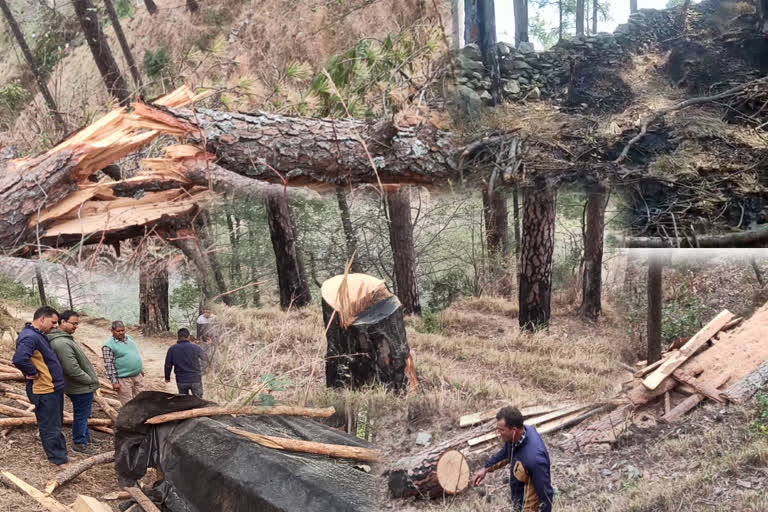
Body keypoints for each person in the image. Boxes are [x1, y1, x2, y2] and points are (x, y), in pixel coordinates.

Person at [12, 306, 68, 466]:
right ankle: (58, 460)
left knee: (55, 422)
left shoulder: (38, 335)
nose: (55, 326)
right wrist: (32, 372)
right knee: (49, 424)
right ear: (42, 319)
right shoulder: (30, 337)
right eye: (53, 322)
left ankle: (59, 454)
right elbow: (19, 358)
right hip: (44, 390)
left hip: (52, 388)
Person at [473, 406, 554, 512]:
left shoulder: (534, 460)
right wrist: (486, 468)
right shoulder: (517, 437)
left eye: (502, 430)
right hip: (518, 501)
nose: (499, 433)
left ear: (514, 430)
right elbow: (506, 453)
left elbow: (545, 495)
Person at [49, 310, 101, 455]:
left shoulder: (64, 338)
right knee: (81, 415)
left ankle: (86, 436)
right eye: (73, 323)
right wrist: (89, 380)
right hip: (79, 386)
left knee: (84, 414)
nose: (76, 326)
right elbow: (71, 369)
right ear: (62, 322)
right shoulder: (61, 343)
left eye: (77, 323)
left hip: (79, 385)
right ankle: (79, 443)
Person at [102, 321, 144, 405]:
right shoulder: (108, 346)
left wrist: (140, 369)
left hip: (137, 375)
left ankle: (140, 417)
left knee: (141, 399)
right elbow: (109, 365)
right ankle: (129, 417)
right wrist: (114, 382)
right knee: (127, 403)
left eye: (123, 330)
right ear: (112, 331)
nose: (121, 333)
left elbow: (134, 353)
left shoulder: (129, 338)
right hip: (124, 379)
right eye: (118, 331)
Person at [164, 328, 205, 398]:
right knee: (199, 402)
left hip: (181, 380)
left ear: (178, 337)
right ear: (188, 337)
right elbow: (206, 358)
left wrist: (167, 377)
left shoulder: (172, 349)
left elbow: (168, 365)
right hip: (195, 379)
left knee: (184, 402)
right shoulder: (195, 347)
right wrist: (204, 370)